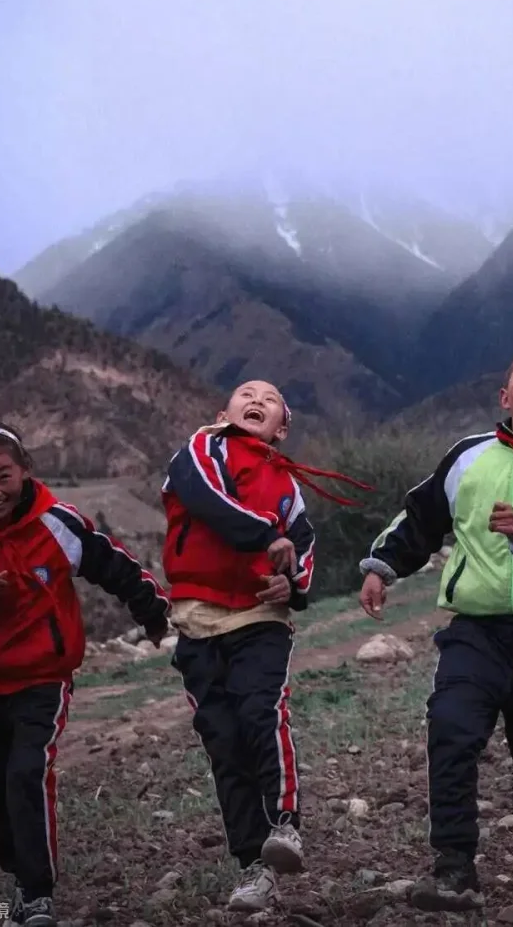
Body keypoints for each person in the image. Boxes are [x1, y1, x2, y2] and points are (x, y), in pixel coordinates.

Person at [358, 346, 513, 925]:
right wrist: (381, 566)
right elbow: (420, 516)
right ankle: (454, 870)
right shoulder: (469, 456)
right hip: (475, 633)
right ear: (505, 395)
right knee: (450, 726)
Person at [0, 423, 170, 927]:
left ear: (25, 471)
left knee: (26, 774)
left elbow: (116, 566)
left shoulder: (56, 523)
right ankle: (18, 873)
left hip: (44, 678)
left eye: (3, 477)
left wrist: (153, 614)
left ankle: (37, 893)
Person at [163, 379, 368, 915]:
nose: (256, 400)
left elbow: (302, 544)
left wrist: (291, 584)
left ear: (282, 429)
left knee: (261, 713)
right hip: (197, 620)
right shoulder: (200, 449)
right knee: (224, 743)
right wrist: (263, 536)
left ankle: (284, 826)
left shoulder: (287, 485)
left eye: (270, 399)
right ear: (222, 412)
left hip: (259, 618)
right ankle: (253, 867)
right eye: (245, 393)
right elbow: (207, 500)